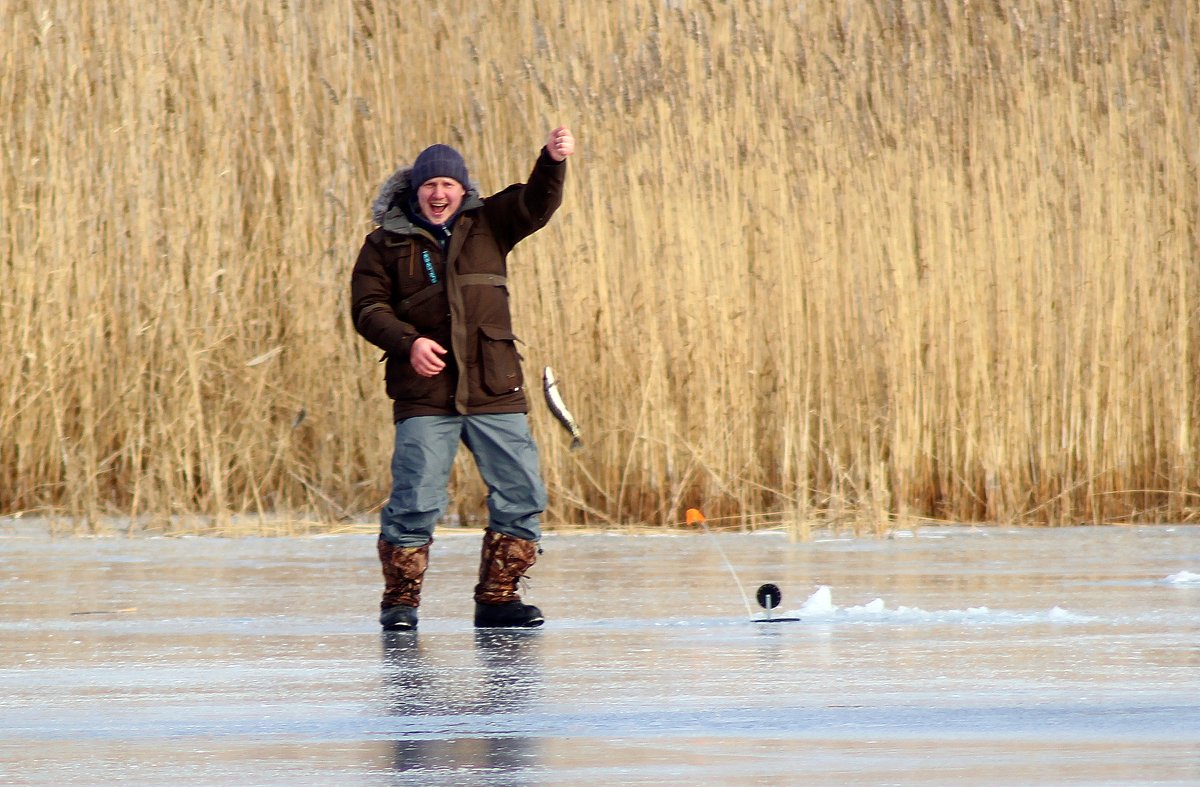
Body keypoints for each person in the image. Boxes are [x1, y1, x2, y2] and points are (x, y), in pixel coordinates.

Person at [351, 126, 576, 631]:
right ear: (416, 191)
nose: (438, 194)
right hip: (425, 393)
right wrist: (408, 343)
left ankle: (498, 600)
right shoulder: (384, 243)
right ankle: (401, 604)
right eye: (429, 186)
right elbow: (366, 309)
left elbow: (537, 203)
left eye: (448, 186)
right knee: (415, 500)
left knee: (522, 493)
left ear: (462, 190)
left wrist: (552, 160)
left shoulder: (489, 223)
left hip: (494, 386)